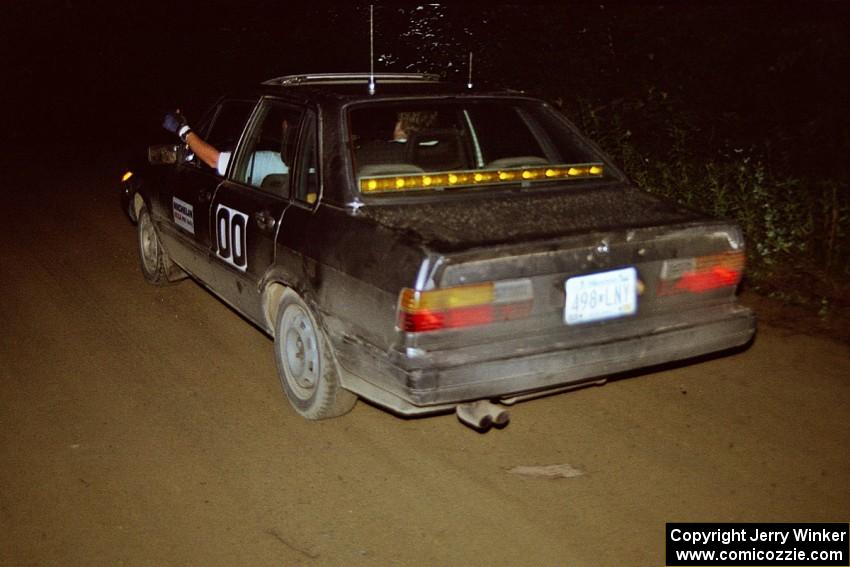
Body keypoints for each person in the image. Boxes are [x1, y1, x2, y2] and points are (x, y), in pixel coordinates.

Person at [162, 111, 288, 182]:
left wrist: (182, 129)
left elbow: (214, 160)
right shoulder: (305, 167)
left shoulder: (270, 162)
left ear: (285, 126)